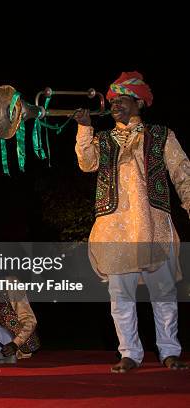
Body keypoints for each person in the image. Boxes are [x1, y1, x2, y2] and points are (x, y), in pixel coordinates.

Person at [74, 71, 189, 372]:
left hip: (154, 223)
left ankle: (169, 351)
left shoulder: (163, 135)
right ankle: (129, 353)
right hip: (114, 226)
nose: (115, 105)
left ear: (139, 101)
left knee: (163, 292)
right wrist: (84, 129)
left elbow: (183, 175)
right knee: (120, 295)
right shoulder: (103, 139)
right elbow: (86, 164)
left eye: (122, 99)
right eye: (112, 101)